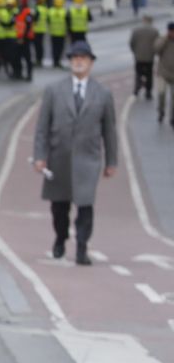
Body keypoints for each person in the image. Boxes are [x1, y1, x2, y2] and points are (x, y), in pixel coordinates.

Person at [33, 40, 117, 266]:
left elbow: (110, 130)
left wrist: (111, 161)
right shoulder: (54, 91)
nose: (79, 62)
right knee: (59, 206)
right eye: (75, 58)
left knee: (85, 204)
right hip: (58, 158)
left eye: (83, 58)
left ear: (90, 63)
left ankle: (82, 246)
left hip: (88, 160)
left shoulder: (103, 94)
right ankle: (61, 237)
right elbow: (42, 127)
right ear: (70, 62)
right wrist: (40, 156)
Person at [130, 14, 159, 101]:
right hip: (150, 57)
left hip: (138, 56)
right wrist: (154, 52)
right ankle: (148, 92)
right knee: (149, 75)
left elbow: (132, 43)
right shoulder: (155, 31)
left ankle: (137, 88)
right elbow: (157, 44)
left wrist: (135, 52)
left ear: (143, 20)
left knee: (138, 73)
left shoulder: (136, 30)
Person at [155, 22, 174, 126]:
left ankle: (173, 117)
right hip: (163, 72)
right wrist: (166, 39)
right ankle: (161, 111)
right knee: (161, 94)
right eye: (171, 31)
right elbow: (156, 49)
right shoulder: (163, 40)